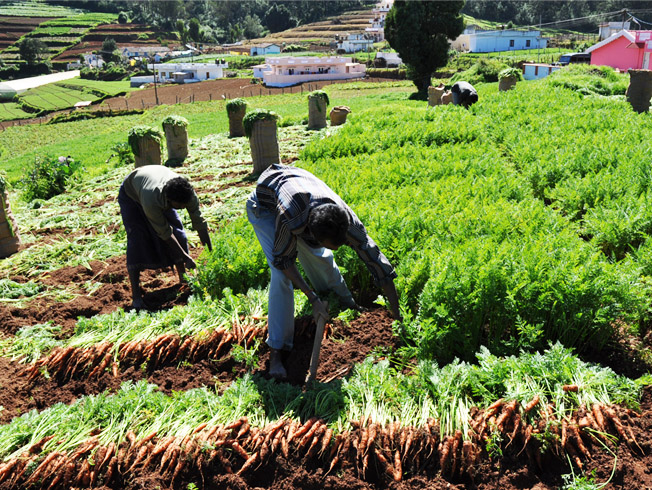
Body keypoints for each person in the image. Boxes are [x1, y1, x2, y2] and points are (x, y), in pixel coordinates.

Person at [246, 164, 401, 379]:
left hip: (298, 192)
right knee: (280, 276)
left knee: (324, 259)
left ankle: (346, 306)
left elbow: (377, 263)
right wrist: (312, 298)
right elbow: (284, 261)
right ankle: (277, 353)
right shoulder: (292, 219)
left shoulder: (346, 221)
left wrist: (397, 316)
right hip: (265, 207)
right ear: (309, 233)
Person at [118, 165, 212, 310]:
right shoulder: (152, 198)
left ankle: (183, 279)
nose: (182, 208)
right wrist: (186, 257)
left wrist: (211, 253)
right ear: (169, 200)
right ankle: (136, 296)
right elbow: (165, 234)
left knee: (179, 233)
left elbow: (199, 222)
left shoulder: (188, 194)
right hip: (132, 194)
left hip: (153, 179)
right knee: (138, 240)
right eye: (179, 206)